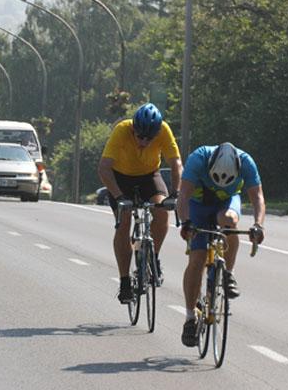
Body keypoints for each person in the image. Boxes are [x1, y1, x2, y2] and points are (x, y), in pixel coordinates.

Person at [177, 142, 265, 347]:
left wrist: (258, 225)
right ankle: (190, 318)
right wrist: (186, 223)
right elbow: (184, 195)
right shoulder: (198, 159)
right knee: (197, 259)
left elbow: (258, 197)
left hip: (226, 203)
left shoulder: (246, 162)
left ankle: (227, 274)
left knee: (230, 221)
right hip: (198, 205)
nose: (221, 183)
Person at [98, 103, 182, 304]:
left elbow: (176, 164)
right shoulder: (122, 130)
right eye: (140, 136)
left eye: (149, 138)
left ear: (157, 133)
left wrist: (175, 194)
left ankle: (153, 257)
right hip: (121, 179)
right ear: (133, 129)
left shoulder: (164, 130)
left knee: (162, 212)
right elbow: (104, 168)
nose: (144, 141)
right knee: (124, 222)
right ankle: (125, 281)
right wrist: (120, 197)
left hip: (149, 176)